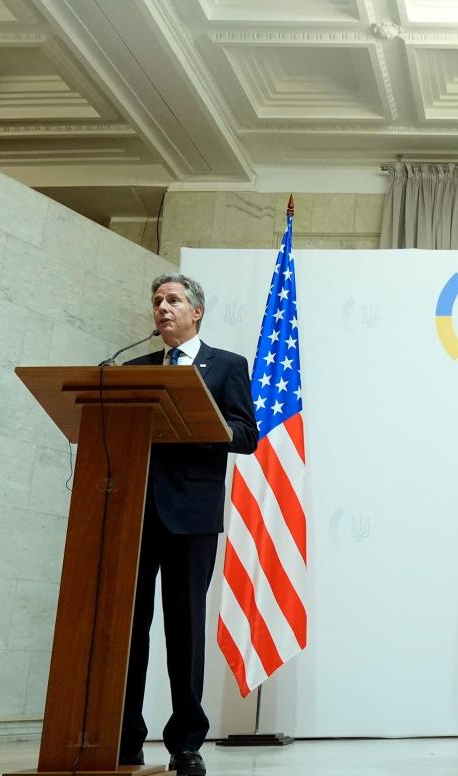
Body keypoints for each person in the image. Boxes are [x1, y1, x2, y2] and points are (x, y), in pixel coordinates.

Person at [120, 274, 258, 776]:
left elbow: (246, 435)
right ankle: (125, 737)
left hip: (192, 516)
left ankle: (185, 742)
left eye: (173, 300)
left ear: (196, 311)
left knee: (185, 629)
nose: (163, 308)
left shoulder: (225, 366)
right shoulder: (133, 368)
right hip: (133, 512)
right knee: (129, 629)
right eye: (157, 300)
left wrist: (198, 421)